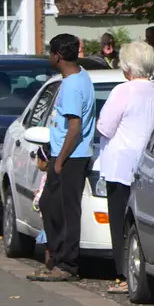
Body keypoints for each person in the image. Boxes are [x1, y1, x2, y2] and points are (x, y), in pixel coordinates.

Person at [94, 41, 154, 293]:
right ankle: (141, 271)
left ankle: (124, 273)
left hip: (121, 164)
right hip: (147, 163)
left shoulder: (123, 90)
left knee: (119, 220)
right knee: (140, 221)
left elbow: (105, 127)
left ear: (128, 67)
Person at [30, 34, 97, 283]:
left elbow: (75, 127)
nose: (50, 57)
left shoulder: (71, 86)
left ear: (58, 55)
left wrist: (59, 161)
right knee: (50, 204)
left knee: (66, 211)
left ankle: (67, 263)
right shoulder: (78, 76)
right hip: (67, 154)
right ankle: (55, 258)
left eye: (50, 53)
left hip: (71, 156)